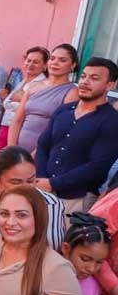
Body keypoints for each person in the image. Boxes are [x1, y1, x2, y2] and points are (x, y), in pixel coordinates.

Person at [35, 57, 118, 213]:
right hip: (41, 191)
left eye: (94, 78)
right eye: (83, 76)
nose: (85, 82)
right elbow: (43, 145)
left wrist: (53, 183)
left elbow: (97, 167)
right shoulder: (63, 111)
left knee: (62, 238)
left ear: (110, 85)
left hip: (75, 200)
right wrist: (42, 178)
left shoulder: (112, 121)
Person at [0, 145, 65, 268]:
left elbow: (57, 249)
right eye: (16, 182)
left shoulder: (52, 204)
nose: (25, 188)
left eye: (31, 181)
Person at [7, 43, 79, 153]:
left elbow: (60, 130)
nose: (55, 63)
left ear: (73, 65)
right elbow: (17, 120)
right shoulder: (33, 86)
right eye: (52, 58)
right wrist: (11, 149)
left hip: (44, 153)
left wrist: (35, 155)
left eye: (62, 60)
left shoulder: (72, 92)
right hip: (17, 150)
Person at [0, 46, 48, 155]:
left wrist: (22, 99)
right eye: (28, 60)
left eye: (36, 62)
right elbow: (10, 104)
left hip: (19, 131)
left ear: (45, 66)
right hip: (5, 127)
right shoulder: (22, 81)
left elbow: (35, 109)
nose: (30, 64)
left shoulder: (43, 85)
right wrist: (6, 99)